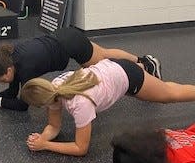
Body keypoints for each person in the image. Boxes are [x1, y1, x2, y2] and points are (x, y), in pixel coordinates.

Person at [21, 57, 195, 156]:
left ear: (43, 102)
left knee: (170, 94)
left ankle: (145, 68)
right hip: (111, 68)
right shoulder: (54, 88)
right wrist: (43, 137)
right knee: (162, 88)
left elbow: (81, 148)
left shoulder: (80, 104)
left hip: (127, 76)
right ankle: (145, 66)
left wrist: (46, 145)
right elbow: (53, 126)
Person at [0, 27, 162, 111]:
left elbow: (22, 104)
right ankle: (144, 61)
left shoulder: (25, 69)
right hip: (65, 35)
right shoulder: (12, 54)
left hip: (71, 45)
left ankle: (143, 67)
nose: (5, 82)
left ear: (9, 69)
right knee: (105, 54)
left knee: (108, 63)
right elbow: (13, 90)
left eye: (3, 79)